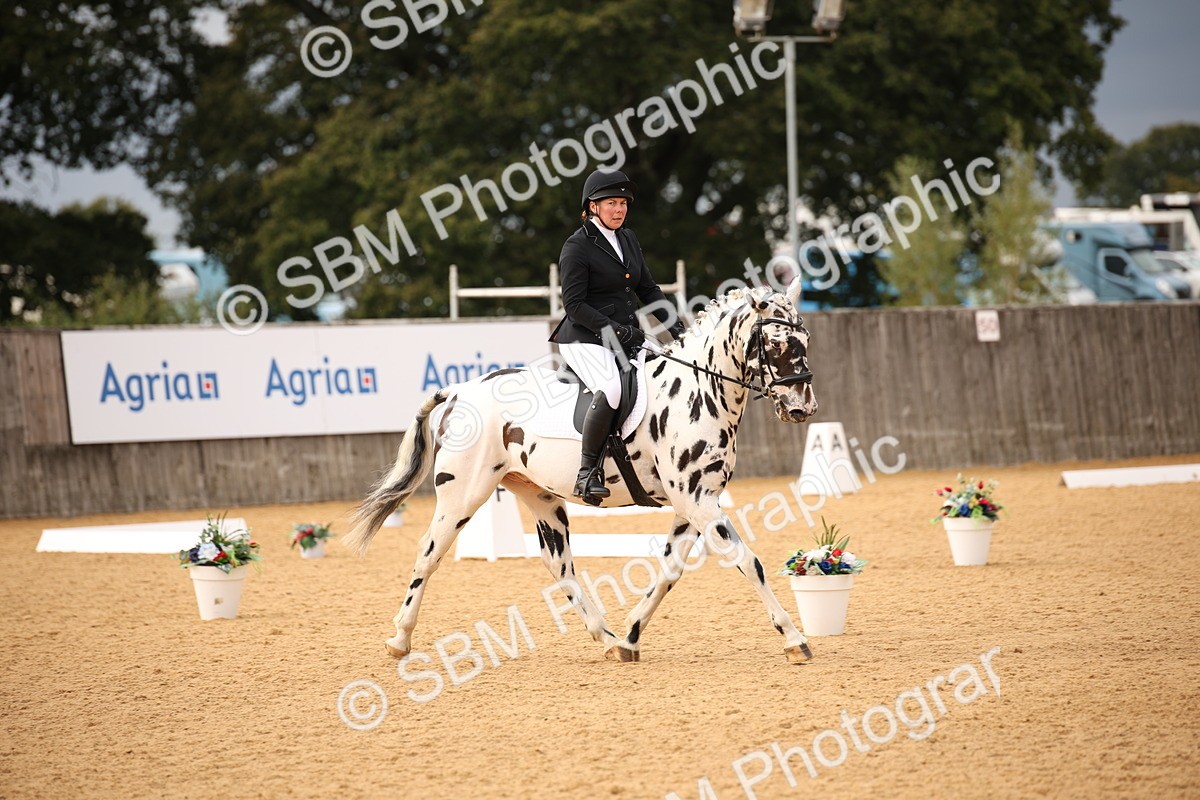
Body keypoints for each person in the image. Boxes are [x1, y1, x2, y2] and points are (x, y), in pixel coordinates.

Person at [549, 168, 686, 503]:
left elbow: (648, 289)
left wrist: (679, 331)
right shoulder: (577, 246)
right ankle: (587, 472)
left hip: (626, 335)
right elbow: (575, 304)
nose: (619, 209)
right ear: (592, 206)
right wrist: (617, 331)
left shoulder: (628, 238)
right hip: (585, 337)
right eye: (611, 202)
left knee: (666, 371)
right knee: (611, 387)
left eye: (623, 203)